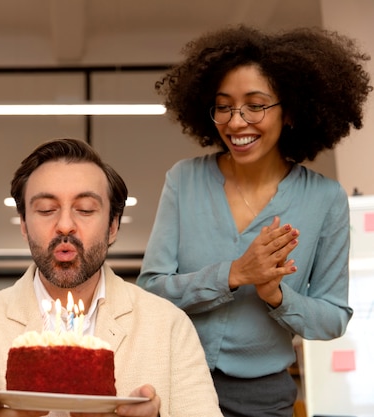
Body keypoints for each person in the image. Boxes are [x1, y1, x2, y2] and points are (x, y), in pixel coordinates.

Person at [137, 25, 372, 417]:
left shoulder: (324, 199)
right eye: (224, 106)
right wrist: (233, 274)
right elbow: (150, 292)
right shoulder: (184, 179)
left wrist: (277, 296)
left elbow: (333, 318)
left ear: (292, 110)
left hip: (265, 400)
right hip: (175, 382)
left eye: (255, 105)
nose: (236, 121)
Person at [0, 138, 223, 417]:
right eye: (46, 209)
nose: (65, 225)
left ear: (113, 226)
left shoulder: (169, 327)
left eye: (85, 209)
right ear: (24, 225)